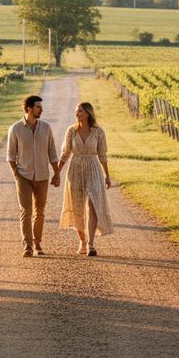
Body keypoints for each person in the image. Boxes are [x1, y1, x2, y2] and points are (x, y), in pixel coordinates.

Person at [6, 94, 60, 257]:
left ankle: (37, 244)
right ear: (29, 108)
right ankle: (27, 246)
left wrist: (57, 173)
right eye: (38, 107)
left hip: (42, 176)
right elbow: (10, 156)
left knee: (40, 212)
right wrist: (16, 175)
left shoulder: (46, 128)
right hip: (23, 176)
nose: (41, 110)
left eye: (41, 107)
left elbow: (52, 153)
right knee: (26, 211)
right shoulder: (15, 129)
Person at [58, 102, 113, 256]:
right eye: (76, 111)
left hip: (93, 169)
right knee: (77, 207)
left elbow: (102, 155)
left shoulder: (98, 132)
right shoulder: (71, 131)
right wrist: (57, 173)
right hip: (75, 170)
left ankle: (91, 244)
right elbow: (65, 153)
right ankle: (82, 240)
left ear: (88, 113)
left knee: (93, 204)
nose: (77, 114)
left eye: (80, 111)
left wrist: (107, 176)